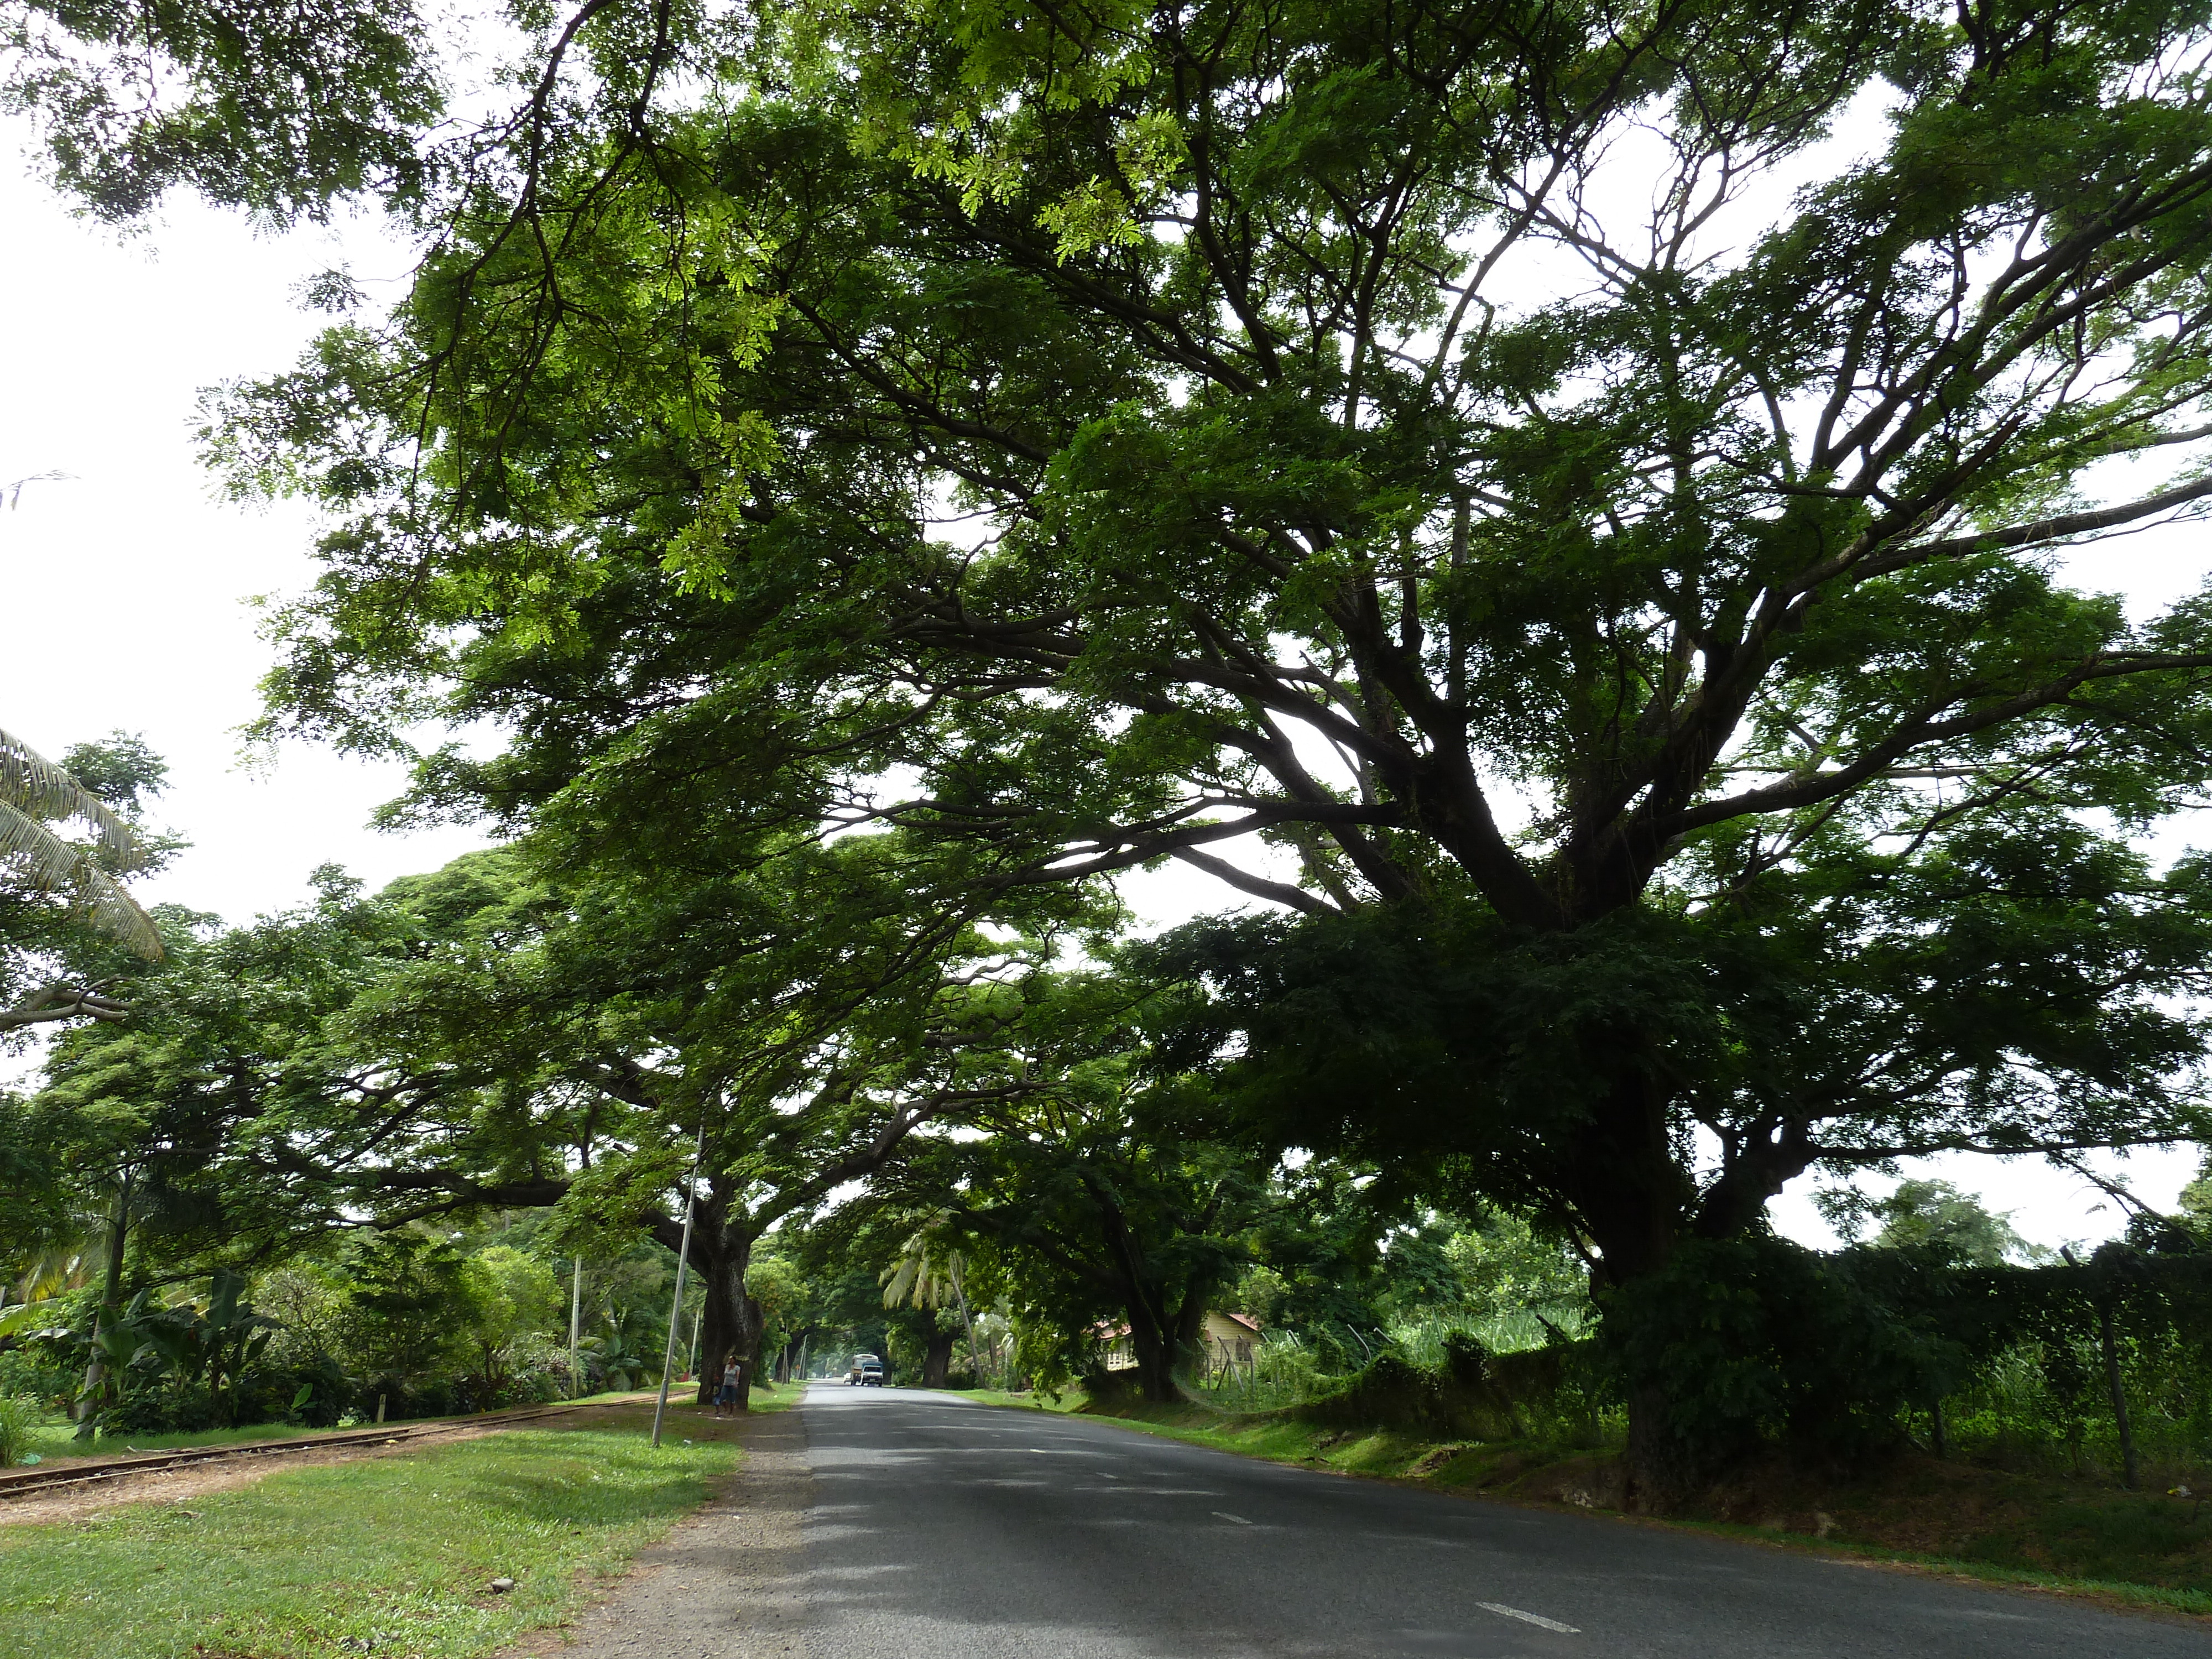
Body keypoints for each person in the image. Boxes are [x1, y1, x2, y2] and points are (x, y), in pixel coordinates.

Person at [713, 1354, 742, 1418]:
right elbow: (725, 1375)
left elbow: (737, 1376)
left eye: (731, 1359)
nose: (730, 1360)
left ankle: (731, 1412)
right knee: (722, 1397)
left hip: (733, 1385)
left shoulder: (737, 1368)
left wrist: (736, 1383)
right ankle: (726, 1409)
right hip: (726, 1384)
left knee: (732, 1399)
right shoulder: (727, 1367)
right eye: (730, 1359)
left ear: (734, 1360)